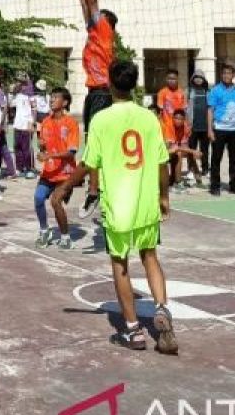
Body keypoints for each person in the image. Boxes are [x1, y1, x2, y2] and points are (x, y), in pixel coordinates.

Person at [65, 60, 176, 354]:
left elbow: (88, 164)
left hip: (118, 205)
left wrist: (64, 187)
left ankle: (133, 330)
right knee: (150, 257)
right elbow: (163, 163)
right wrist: (164, 196)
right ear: (135, 84)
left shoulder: (101, 120)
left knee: (120, 264)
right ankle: (162, 309)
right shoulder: (149, 118)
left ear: (110, 84)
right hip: (145, 202)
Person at [76, 0, 117, 219]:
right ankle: (97, 189)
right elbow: (84, 2)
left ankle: (95, 191)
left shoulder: (103, 32)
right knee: (91, 144)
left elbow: (91, 1)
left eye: (98, 16)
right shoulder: (94, 33)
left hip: (102, 93)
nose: (92, 16)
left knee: (96, 146)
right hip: (93, 95)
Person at [34, 88, 80, 250]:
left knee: (55, 201)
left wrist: (49, 157)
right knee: (38, 199)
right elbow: (44, 147)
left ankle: (66, 237)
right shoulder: (45, 122)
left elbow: (71, 152)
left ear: (65, 102)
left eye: (55, 97)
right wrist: (42, 150)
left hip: (66, 174)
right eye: (51, 97)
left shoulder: (71, 123)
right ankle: (44, 231)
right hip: (49, 172)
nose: (51, 100)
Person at [207, 63, 235, 196]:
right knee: (216, 158)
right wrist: (210, 130)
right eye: (224, 73)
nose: (227, 75)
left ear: (233, 75)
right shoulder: (215, 90)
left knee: (234, 159)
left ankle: (234, 185)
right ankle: (214, 186)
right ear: (221, 75)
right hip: (219, 128)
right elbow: (210, 110)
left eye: (229, 73)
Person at [164, 110, 204, 191]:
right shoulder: (168, 126)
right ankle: (178, 182)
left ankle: (199, 181)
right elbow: (172, 147)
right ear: (173, 118)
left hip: (175, 149)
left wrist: (193, 152)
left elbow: (185, 146)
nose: (178, 121)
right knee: (179, 153)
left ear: (184, 120)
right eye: (176, 118)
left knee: (190, 154)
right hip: (164, 151)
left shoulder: (185, 127)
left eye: (180, 119)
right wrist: (193, 151)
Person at [11, 76, 37, 179]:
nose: (22, 86)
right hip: (17, 124)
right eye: (21, 84)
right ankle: (19, 168)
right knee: (17, 147)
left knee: (26, 148)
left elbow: (34, 109)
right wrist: (13, 92)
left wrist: (32, 122)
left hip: (27, 124)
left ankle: (29, 169)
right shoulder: (17, 96)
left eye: (24, 84)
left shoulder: (31, 97)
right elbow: (11, 105)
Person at [186, 73, 211, 176]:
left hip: (205, 126)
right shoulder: (189, 91)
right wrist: (187, 123)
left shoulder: (208, 92)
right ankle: (192, 169)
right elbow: (186, 108)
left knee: (205, 149)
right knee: (191, 149)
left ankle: (205, 168)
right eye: (196, 78)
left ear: (203, 79)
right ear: (193, 79)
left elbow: (211, 108)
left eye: (200, 78)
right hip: (193, 126)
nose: (198, 80)